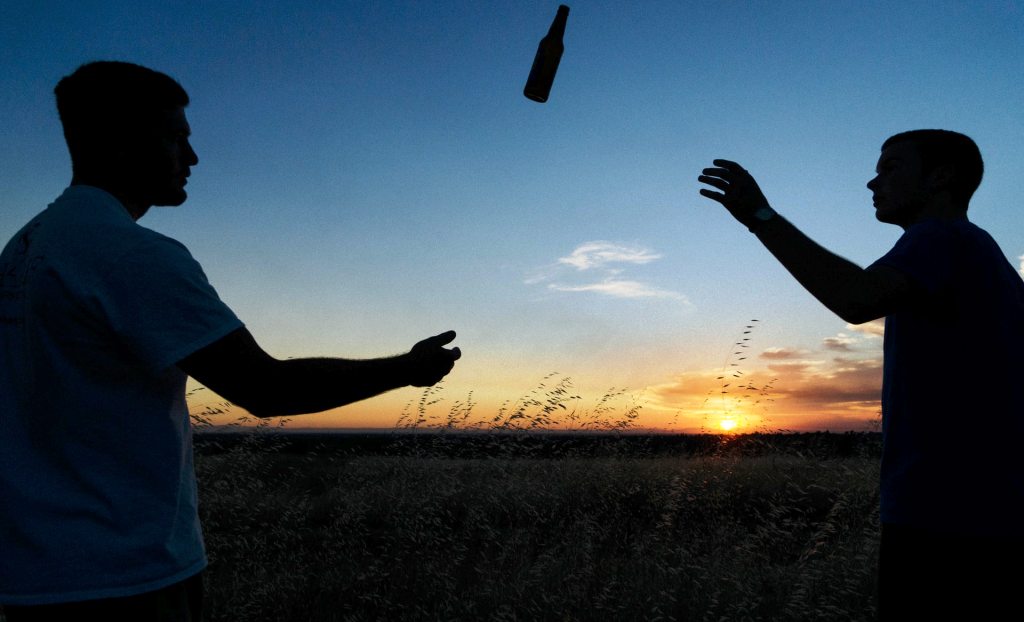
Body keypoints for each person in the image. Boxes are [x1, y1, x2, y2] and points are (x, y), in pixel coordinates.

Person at [0, 61, 461, 621]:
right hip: (125, 578)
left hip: (33, 577)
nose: (191, 158)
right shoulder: (131, 255)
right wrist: (405, 369)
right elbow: (264, 388)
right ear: (122, 143)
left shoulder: (24, 250)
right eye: (176, 139)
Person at [698, 130, 1024, 620]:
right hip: (985, 509)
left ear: (941, 177)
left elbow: (856, 297)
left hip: (946, 513)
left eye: (891, 168)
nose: (873, 182)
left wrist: (760, 218)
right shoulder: (978, 254)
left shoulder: (942, 238)